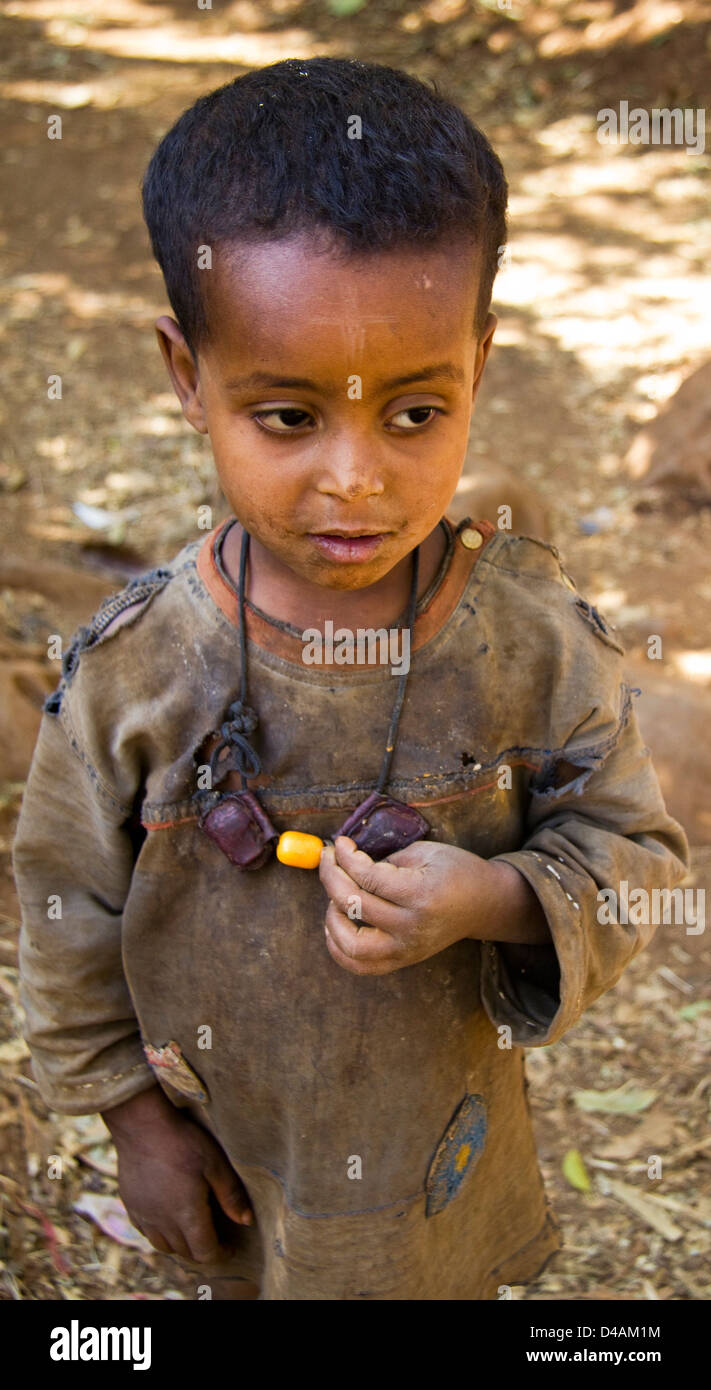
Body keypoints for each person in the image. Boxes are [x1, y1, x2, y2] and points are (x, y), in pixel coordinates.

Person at [13, 57, 689, 1301]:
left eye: (417, 414)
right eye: (286, 416)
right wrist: (129, 1118)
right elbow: (65, 909)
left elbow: (639, 859)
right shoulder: (136, 673)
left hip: (441, 1180)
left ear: (478, 365)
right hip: (230, 1166)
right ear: (186, 376)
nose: (356, 478)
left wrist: (492, 894)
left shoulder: (532, 646)